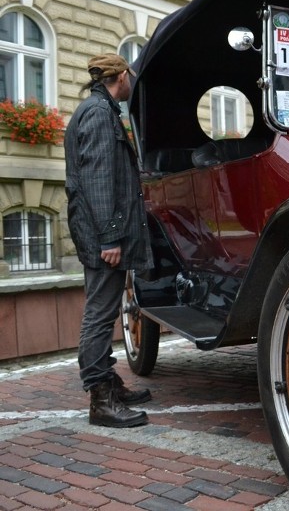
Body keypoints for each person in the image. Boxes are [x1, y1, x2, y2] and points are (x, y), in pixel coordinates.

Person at [64, 53, 154, 428]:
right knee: (99, 317)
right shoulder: (100, 115)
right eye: (130, 76)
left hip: (98, 231)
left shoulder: (96, 109)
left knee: (101, 312)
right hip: (103, 236)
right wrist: (111, 238)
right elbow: (100, 182)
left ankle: (108, 384)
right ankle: (100, 400)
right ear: (120, 76)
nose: (132, 82)